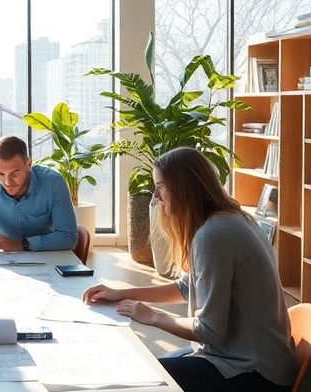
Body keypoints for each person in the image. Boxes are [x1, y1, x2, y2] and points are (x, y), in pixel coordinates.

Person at [83, 147, 296, 392]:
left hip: (256, 373)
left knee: (144, 380)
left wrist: (153, 316)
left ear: (183, 188)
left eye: (160, 186)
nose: (156, 197)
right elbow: (186, 287)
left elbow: (210, 331)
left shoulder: (213, 235)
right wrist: (123, 293)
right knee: (148, 368)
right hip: (254, 359)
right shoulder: (231, 219)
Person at [0, 135, 77, 254]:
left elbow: (68, 237)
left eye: (14, 173)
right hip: (3, 260)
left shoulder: (53, 183)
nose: (7, 182)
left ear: (28, 163)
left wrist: (21, 244)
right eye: (0, 173)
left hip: (45, 257)